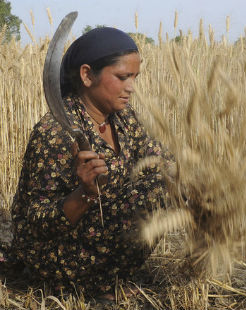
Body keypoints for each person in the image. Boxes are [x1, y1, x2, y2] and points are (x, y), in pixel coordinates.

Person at [10, 27, 171, 298]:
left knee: (172, 182)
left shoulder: (124, 118)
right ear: (87, 75)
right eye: (122, 77)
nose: (131, 87)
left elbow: (160, 160)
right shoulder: (55, 132)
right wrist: (84, 194)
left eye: (134, 77)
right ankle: (91, 285)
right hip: (57, 255)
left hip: (100, 241)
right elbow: (36, 224)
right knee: (157, 190)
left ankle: (111, 278)